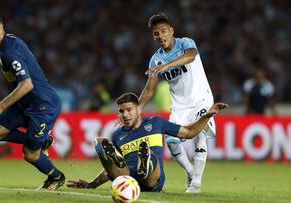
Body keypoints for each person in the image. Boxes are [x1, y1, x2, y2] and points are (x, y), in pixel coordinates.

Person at [0, 10, 65, 190]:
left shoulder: (9, 51)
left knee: (31, 155)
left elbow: (27, 84)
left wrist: (0, 107)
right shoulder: (6, 44)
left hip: (43, 106)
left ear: (1, 27)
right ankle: (44, 142)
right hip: (25, 103)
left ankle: (56, 177)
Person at [66, 93, 227, 192]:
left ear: (139, 110)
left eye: (129, 110)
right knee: (100, 142)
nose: (125, 114)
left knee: (151, 160)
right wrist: (91, 185)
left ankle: (145, 164)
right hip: (128, 178)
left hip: (153, 180)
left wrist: (207, 116)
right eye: (121, 111)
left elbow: (189, 132)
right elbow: (111, 169)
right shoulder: (117, 135)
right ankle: (141, 165)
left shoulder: (156, 123)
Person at [139, 12, 215, 193]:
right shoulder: (156, 59)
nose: (160, 36)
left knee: (200, 135)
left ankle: (196, 182)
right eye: (156, 34)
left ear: (171, 31)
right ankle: (190, 172)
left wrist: (167, 65)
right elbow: (150, 89)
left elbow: (191, 56)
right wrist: (138, 108)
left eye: (163, 31)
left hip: (201, 98)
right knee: (172, 142)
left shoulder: (185, 43)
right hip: (180, 106)